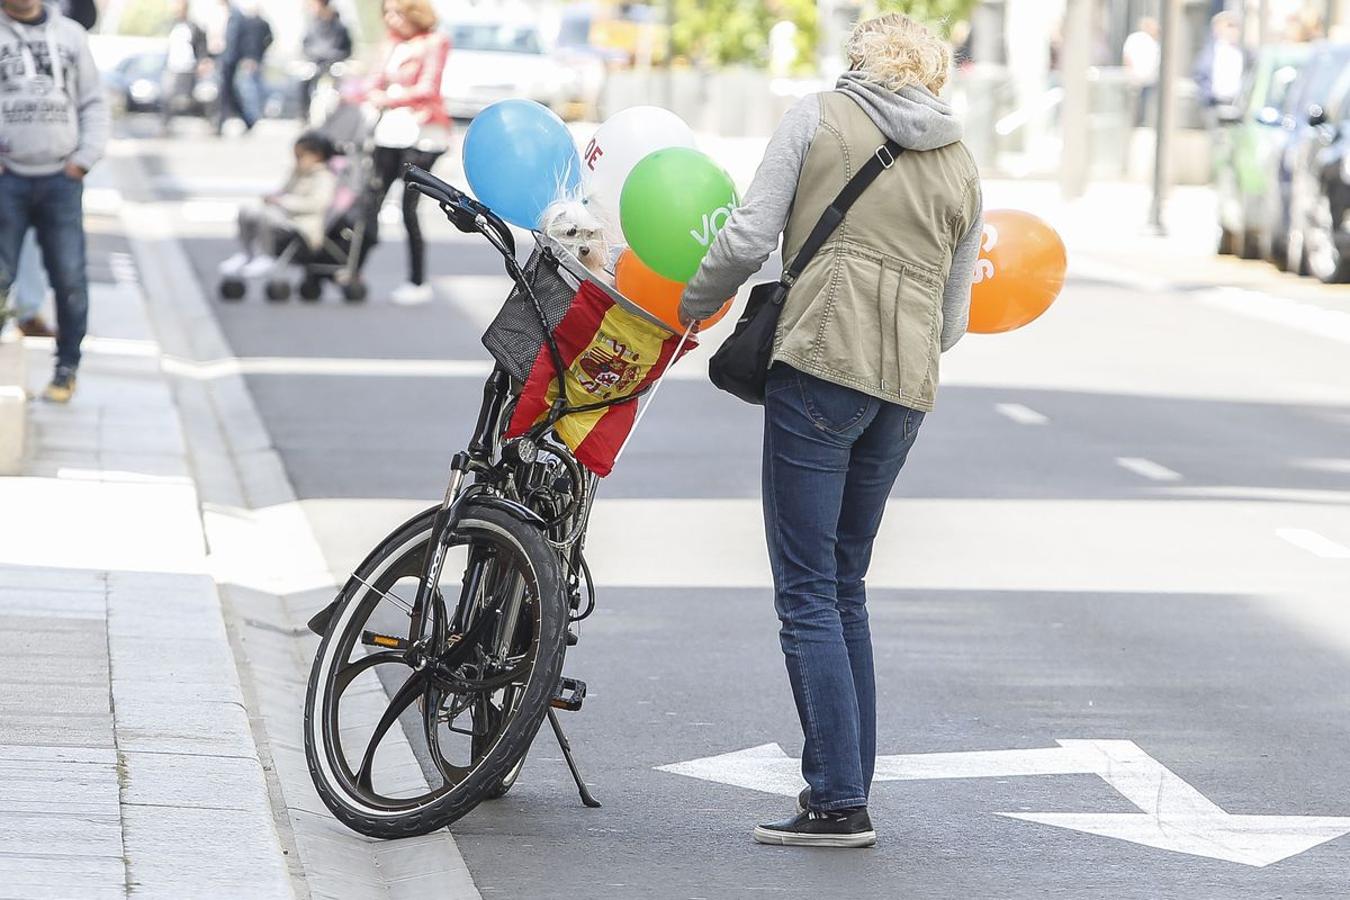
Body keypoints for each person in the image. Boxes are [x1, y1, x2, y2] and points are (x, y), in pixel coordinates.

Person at [678, 13, 982, 848]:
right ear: (936, 77)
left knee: (807, 588)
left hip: (819, 364)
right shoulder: (961, 165)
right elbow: (953, 322)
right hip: (905, 390)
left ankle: (838, 801)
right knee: (845, 585)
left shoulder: (817, 116)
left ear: (861, 61)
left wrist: (692, 304)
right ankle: (845, 788)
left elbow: (748, 235)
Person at [0, 0, 109, 403]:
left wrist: (84, 160)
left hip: (61, 176)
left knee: (70, 278)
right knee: (0, 275)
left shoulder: (70, 36)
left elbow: (94, 102)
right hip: (8, 177)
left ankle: (66, 368)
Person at [364, 0, 451, 305]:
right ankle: (352, 270)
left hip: (422, 134)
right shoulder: (390, 44)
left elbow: (429, 87)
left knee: (408, 207)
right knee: (370, 199)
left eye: (397, 12)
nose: (391, 18)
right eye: (386, 12)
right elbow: (373, 81)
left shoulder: (433, 42)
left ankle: (417, 280)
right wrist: (372, 93)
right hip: (388, 132)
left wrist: (391, 96)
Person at [218, 131, 339, 279]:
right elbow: (283, 191)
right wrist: (274, 197)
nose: (297, 161)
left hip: (303, 227)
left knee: (266, 215)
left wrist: (284, 201)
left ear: (317, 156)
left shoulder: (324, 178)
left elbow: (317, 204)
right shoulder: (296, 173)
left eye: (301, 157)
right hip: (284, 219)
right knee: (247, 212)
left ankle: (265, 255)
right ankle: (247, 253)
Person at [216, 0, 271, 134]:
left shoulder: (241, 17)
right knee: (229, 92)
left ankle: (250, 118)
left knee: (244, 91)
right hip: (228, 59)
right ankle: (240, 119)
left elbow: (242, 42)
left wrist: (253, 57)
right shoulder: (228, 15)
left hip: (236, 60)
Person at [300, 0, 352, 123]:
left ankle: (343, 116)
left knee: (343, 86)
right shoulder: (312, 25)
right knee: (303, 82)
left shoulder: (339, 25)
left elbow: (347, 47)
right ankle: (304, 114)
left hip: (334, 62)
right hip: (316, 62)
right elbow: (306, 44)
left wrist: (336, 57)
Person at [162, 0, 209, 132]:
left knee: (192, 97)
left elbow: (200, 46)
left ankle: (205, 121)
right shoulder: (172, 25)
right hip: (172, 65)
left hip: (189, 66)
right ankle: (165, 124)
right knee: (167, 95)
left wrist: (202, 61)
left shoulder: (193, 26)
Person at [1193, 11, 1249, 112]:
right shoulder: (1209, 52)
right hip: (1212, 103)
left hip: (1237, 104)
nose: (1233, 31)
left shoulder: (1244, 53)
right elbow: (1200, 73)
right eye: (1229, 26)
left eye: (1235, 27)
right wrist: (1207, 94)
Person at [1123, 16, 1160, 127]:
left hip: (1149, 80)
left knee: (1146, 104)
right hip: (1135, 78)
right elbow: (1127, 56)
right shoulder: (1135, 38)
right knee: (1133, 103)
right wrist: (1130, 72)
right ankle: (1133, 123)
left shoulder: (1154, 41)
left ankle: (1142, 123)